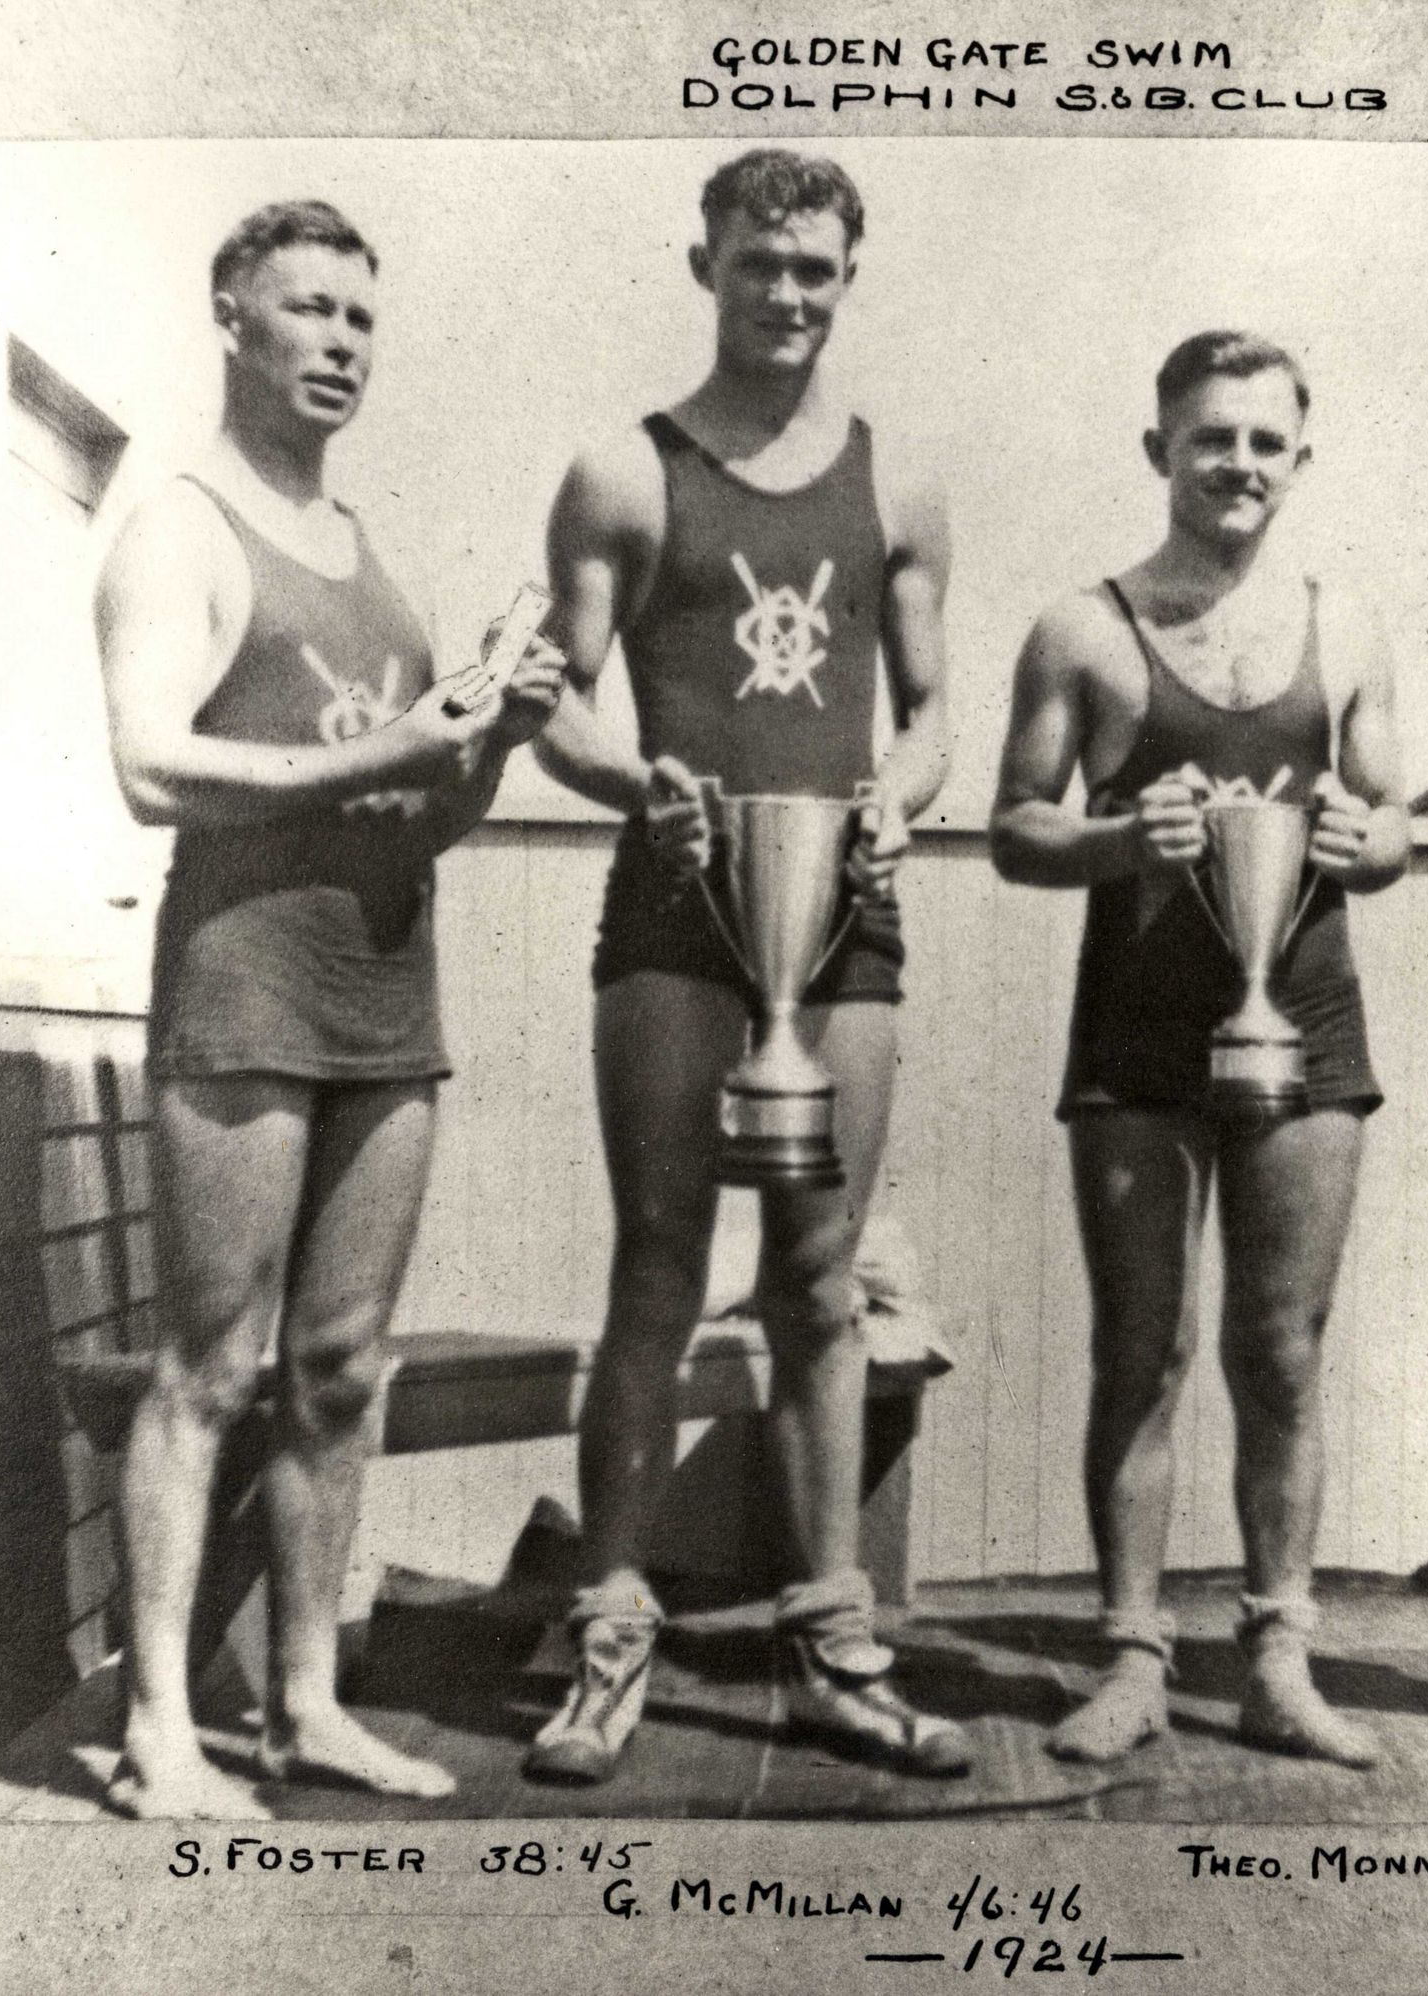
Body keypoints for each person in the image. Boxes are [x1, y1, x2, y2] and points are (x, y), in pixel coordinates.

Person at [93, 199, 565, 1817]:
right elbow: (150, 764)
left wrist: (491, 746)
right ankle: (161, 1732)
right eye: (308, 310)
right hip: (246, 986)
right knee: (208, 1367)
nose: (341, 344)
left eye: (362, 319)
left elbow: (417, 810)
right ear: (232, 316)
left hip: (385, 992)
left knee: (346, 1366)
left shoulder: (365, 546)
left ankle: (305, 1706)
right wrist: (385, 749)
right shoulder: (181, 525)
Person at [526, 150, 964, 1783]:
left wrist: (897, 800)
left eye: (815, 268)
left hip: (840, 917)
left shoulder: (900, 482)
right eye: (759, 262)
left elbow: (931, 715)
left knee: (822, 1276)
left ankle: (835, 1638)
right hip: (676, 916)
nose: (786, 292)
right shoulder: (624, 474)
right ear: (704, 262)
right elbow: (557, 701)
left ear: (850, 276)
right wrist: (630, 779)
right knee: (657, 1263)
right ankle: (611, 1631)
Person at [991, 332, 1411, 1767]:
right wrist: (1120, 839)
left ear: (1302, 457)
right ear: (1158, 448)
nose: (1238, 463)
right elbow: (1015, 828)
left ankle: (1280, 1657)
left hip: (1309, 1025)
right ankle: (1130, 1656)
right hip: (1139, 1034)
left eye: (1264, 441)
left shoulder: (1347, 626)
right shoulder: (1083, 630)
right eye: (1211, 437)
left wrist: (1365, 837)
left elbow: (1392, 824)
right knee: (1143, 1349)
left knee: (1281, 1352)